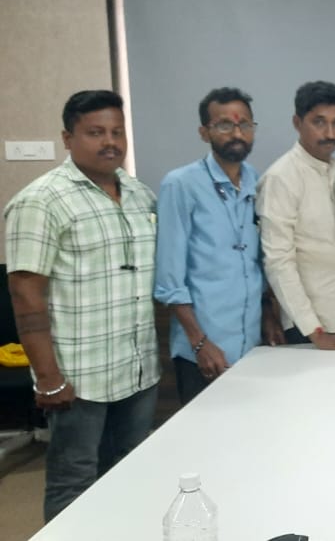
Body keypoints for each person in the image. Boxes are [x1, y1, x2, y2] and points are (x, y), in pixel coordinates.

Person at [5, 90, 159, 521]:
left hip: (137, 367)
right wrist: (49, 379)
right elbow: (25, 293)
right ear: (67, 138)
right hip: (80, 376)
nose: (110, 142)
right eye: (95, 132)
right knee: (74, 481)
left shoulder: (139, 194)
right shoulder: (42, 200)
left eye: (117, 132)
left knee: (128, 471)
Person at [154, 87, 284, 404]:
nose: (237, 133)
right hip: (204, 349)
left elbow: (256, 260)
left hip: (252, 344)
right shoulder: (181, 184)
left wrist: (268, 314)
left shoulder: (255, 180)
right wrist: (200, 343)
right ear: (204, 132)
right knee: (207, 431)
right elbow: (170, 279)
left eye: (245, 125)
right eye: (225, 125)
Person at [257, 81, 335, 351]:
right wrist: (314, 331)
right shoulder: (281, 178)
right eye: (319, 122)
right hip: (310, 329)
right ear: (297, 122)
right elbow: (278, 262)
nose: (330, 133)